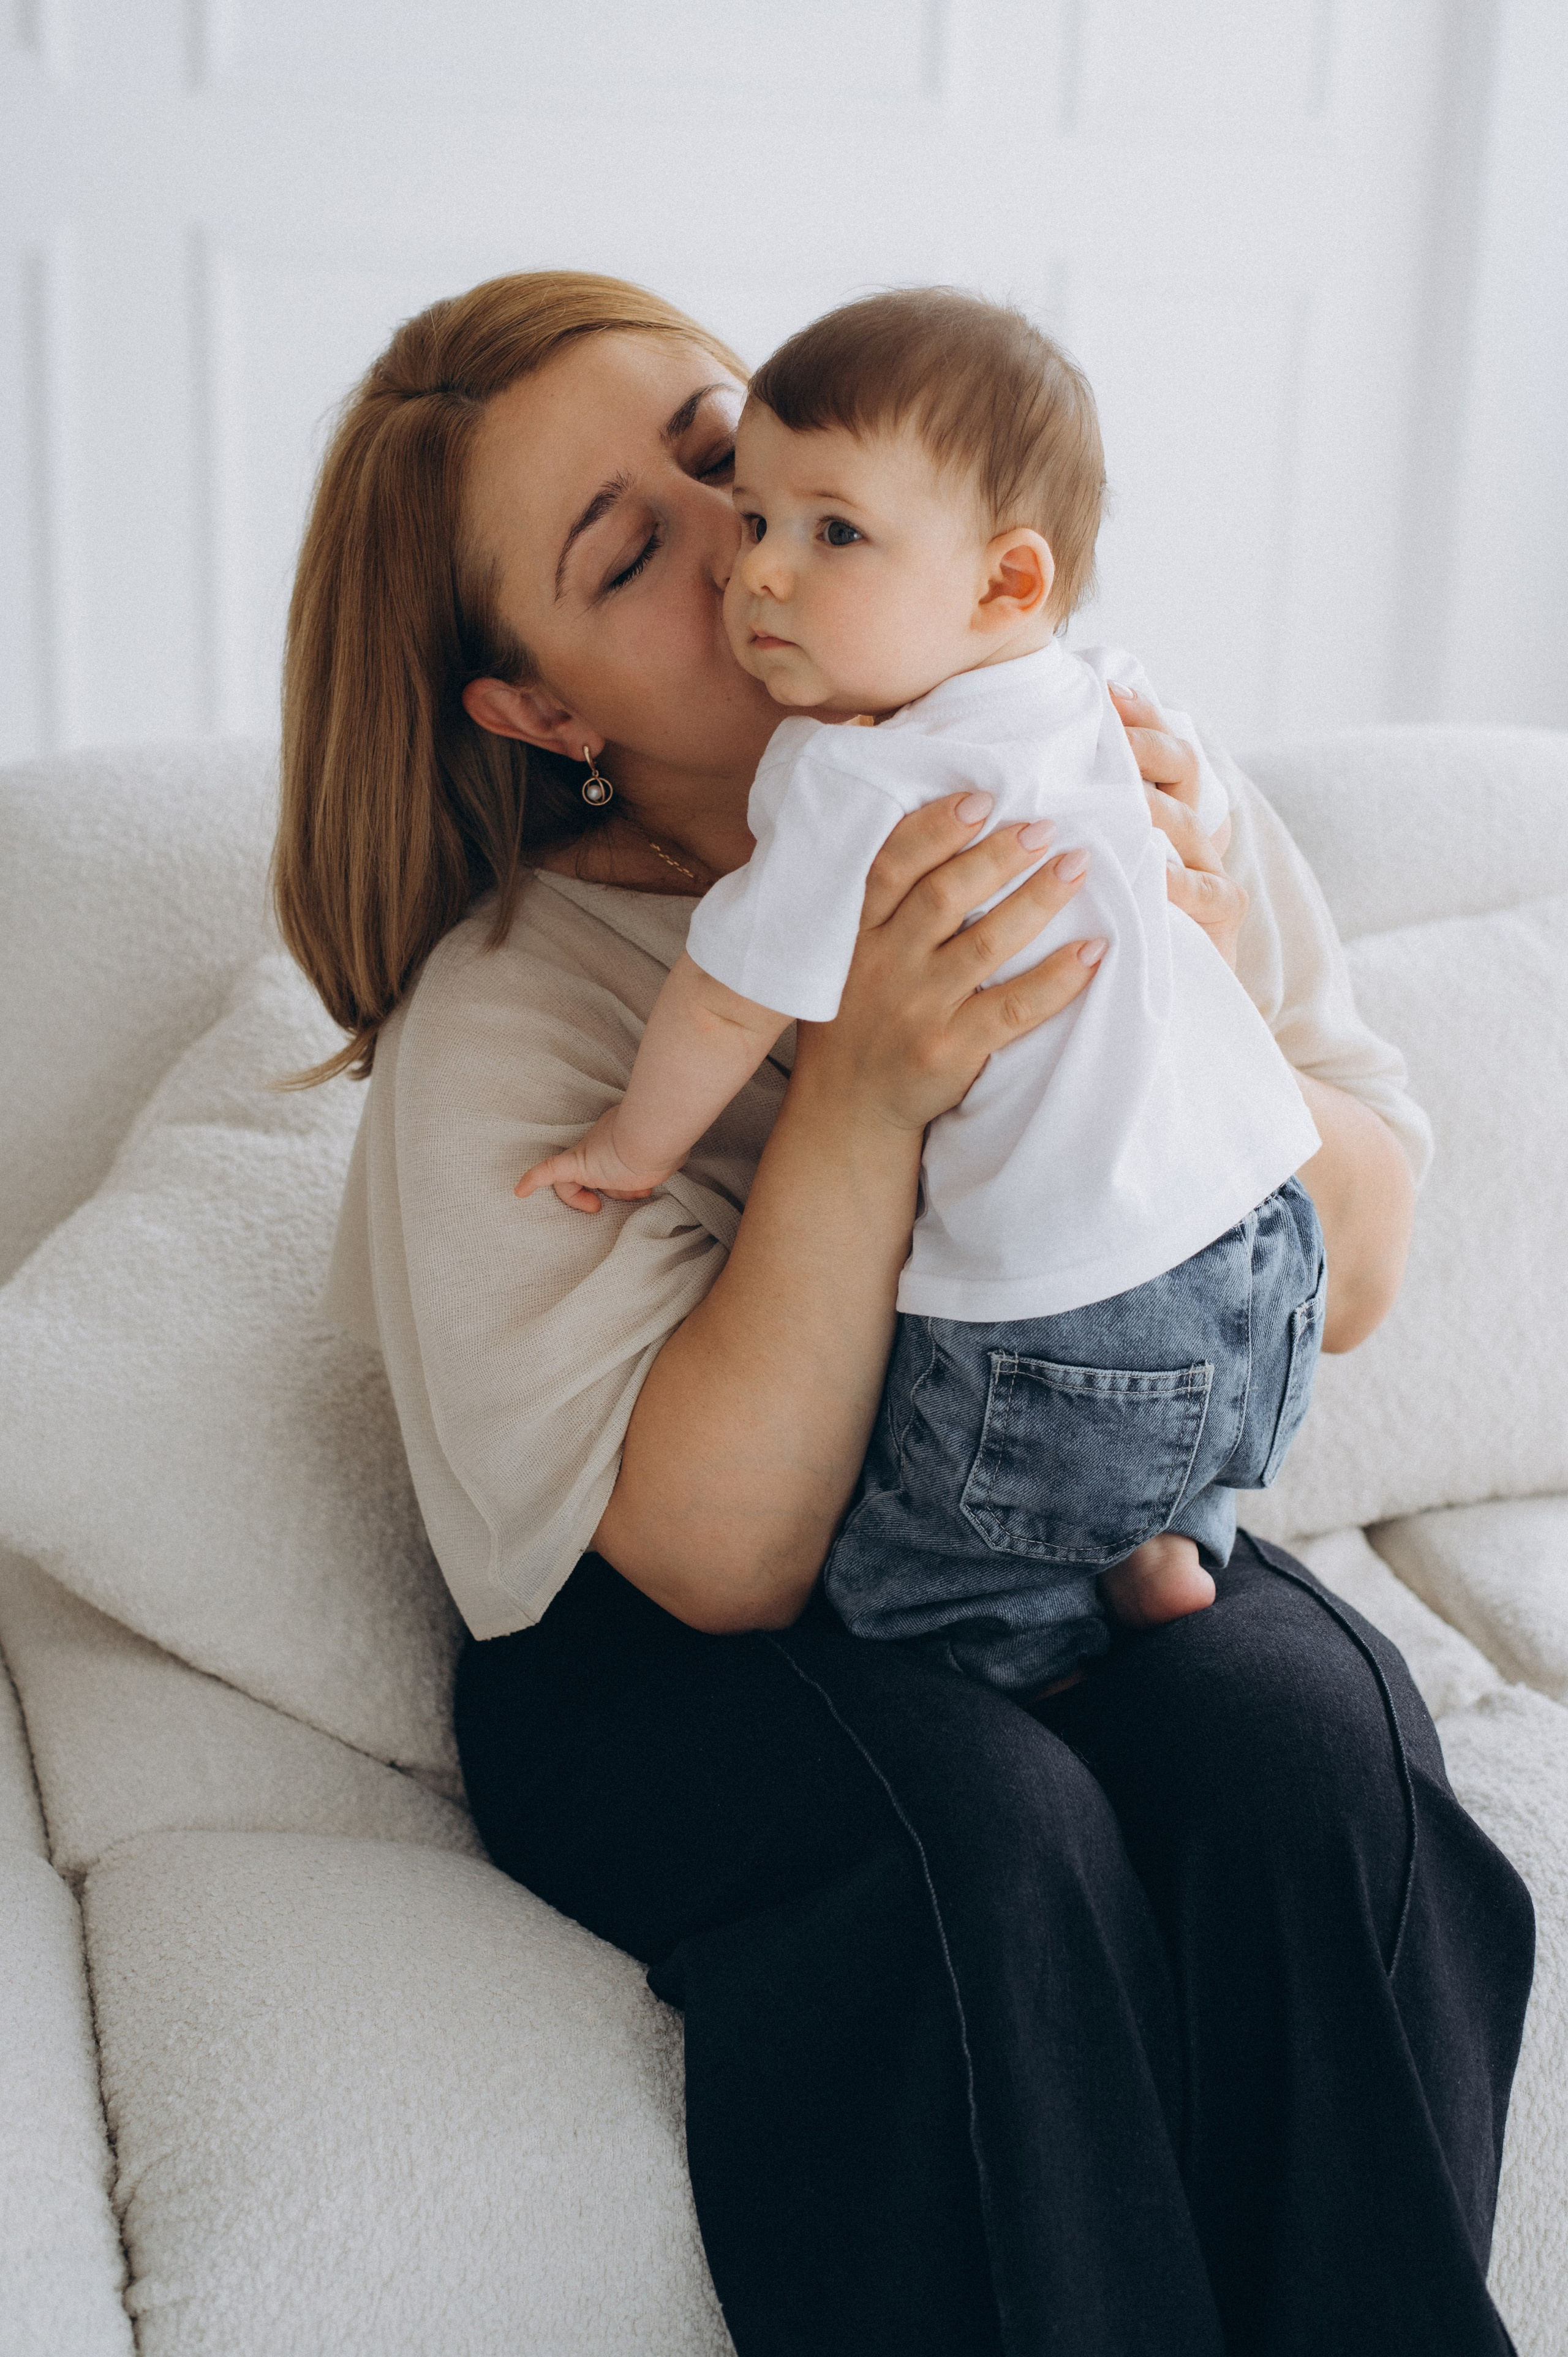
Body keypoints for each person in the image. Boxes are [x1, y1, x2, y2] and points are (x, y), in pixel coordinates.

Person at [276, 270, 1533, 2356]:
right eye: (640, 550)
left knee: (1308, 1747)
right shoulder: (512, 1015)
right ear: (541, 711)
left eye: (728, 441)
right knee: (984, 1835)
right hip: (674, 1646)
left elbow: (1365, 1259)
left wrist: (1189, 971)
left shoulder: (1102, 755)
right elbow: (717, 1556)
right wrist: (861, 1083)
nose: (748, 539)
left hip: (1050, 1497)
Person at [516, 289, 1325, 1689]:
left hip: (1058, 1316)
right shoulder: (1100, 698)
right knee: (1138, 1447)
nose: (748, 566)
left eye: (820, 527)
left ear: (1006, 580)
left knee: (905, 1599)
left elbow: (726, 990)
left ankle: (1044, 1618)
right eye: (751, 516)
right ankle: (1152, 1543)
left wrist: (626, 1146)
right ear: (534, 710)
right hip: (1257, 1249)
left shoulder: (855, 778)